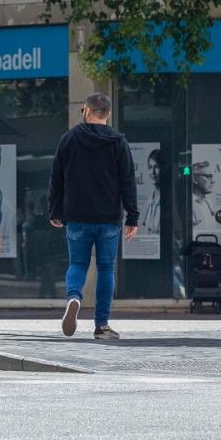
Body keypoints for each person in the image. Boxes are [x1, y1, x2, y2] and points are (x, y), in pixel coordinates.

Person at [49, 92, 139, 340]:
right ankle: (101, 325)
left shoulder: (69, 139)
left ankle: (74, 297)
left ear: (87, 111)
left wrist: (55, 210)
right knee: (106, 268)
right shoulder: (118, 142)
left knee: (77, 264)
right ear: (108, 114)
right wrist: (132, 217)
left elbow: (56, 178)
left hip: (77, 215)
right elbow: (128, 181)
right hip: (108, 218)